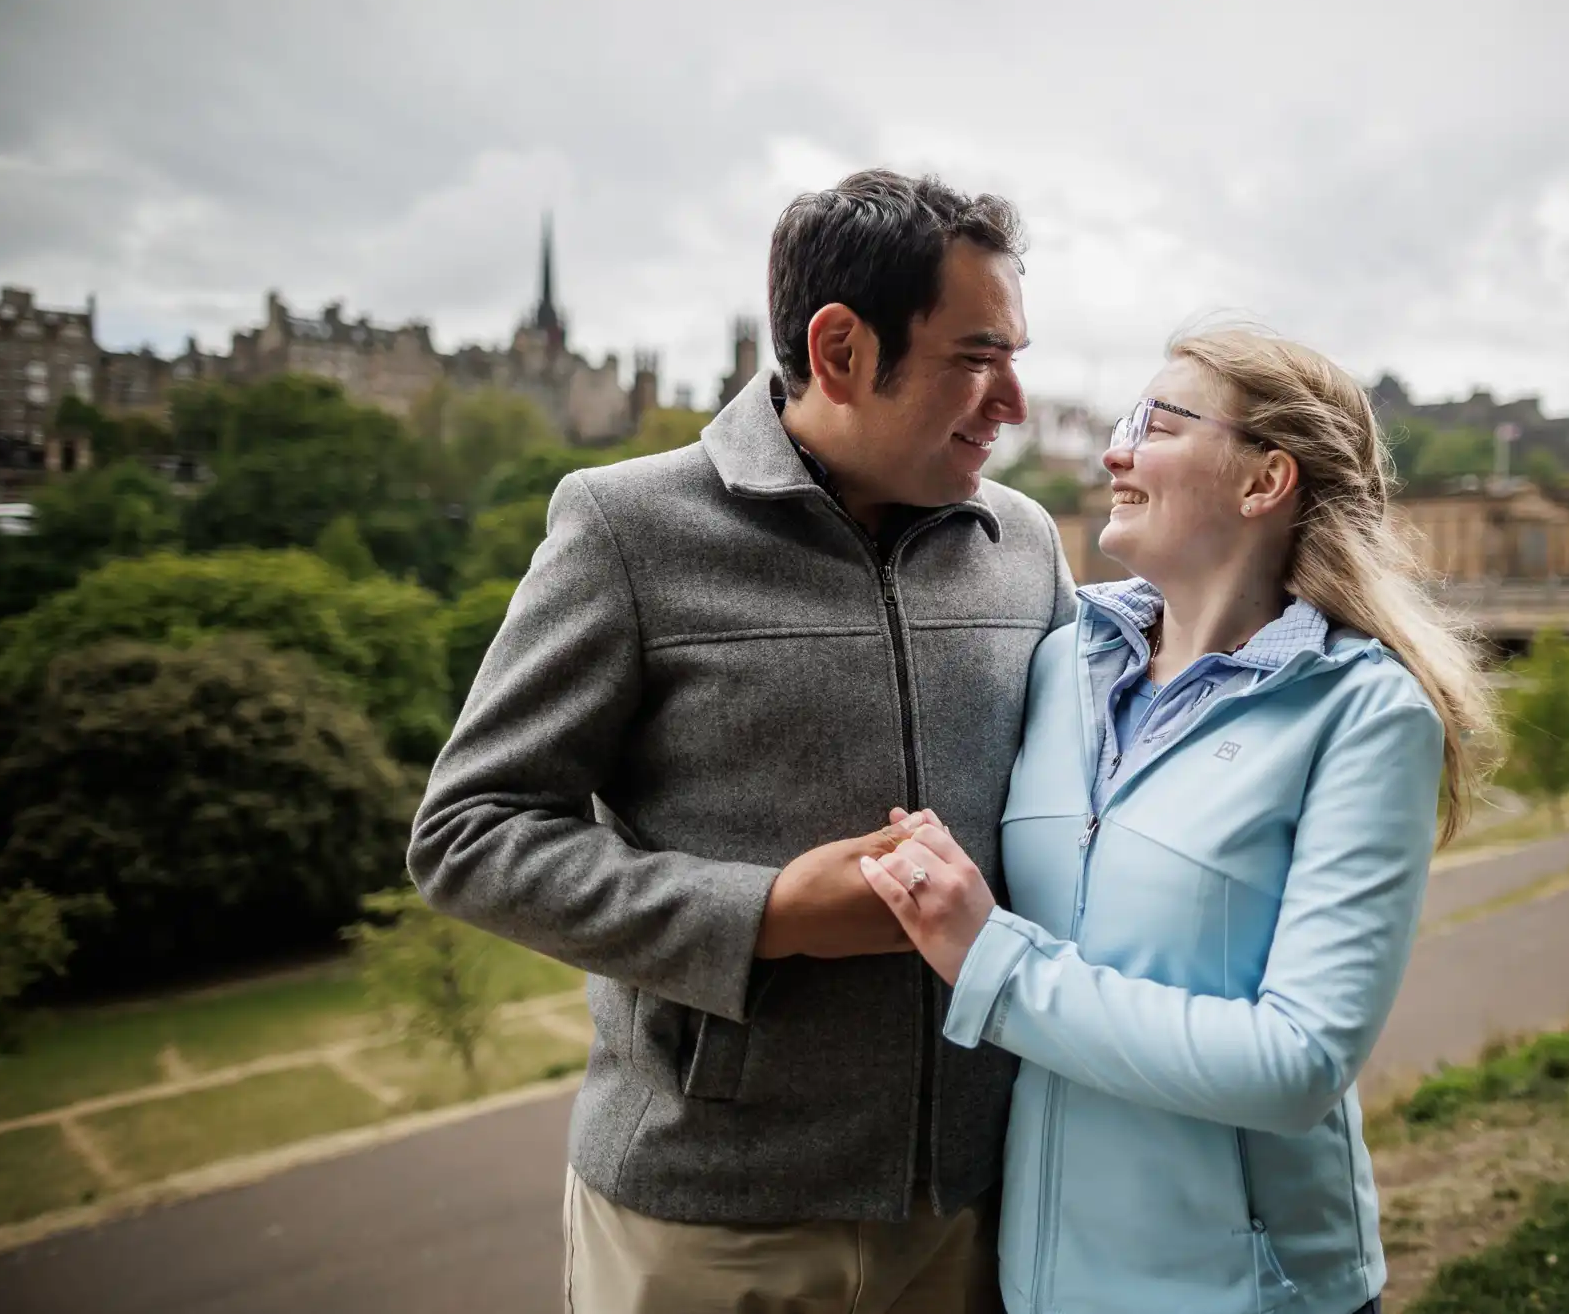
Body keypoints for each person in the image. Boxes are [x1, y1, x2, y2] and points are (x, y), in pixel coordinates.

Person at [407, 169, 1076, 1313]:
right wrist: (764, 916)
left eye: (1013, 355)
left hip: (973, 1211)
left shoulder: (1025, 545)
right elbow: (468, 835)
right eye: (976, 358)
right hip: (707, 1222)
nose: (1012, 402)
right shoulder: (625, 529)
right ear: (839, 350)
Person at [861, 327, 1498, 1314]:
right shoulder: (1062, 661)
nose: (1113, 452)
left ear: (1263, 480)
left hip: (1247, 1291)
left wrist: (995, 963)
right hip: (1037, 1285)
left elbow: (1297, 1065)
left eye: (1155, 426)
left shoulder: (1365, 713)